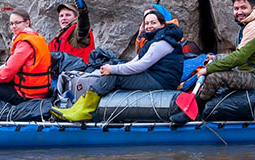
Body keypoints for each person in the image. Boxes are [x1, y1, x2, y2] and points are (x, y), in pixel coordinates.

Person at [51, 8, 184, 121]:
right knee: (113, 73)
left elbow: (141, 65)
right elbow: (135, 61)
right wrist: (113, 67)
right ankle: (79, 107)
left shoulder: (162, 43)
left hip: (162, 81)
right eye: (147, 23)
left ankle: (84, 111)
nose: (149, 26)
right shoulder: (152, 40)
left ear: (162, 25)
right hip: (154, 76)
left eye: (153, 23)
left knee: (114, 76)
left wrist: (114, 70)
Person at [195, 0, 255, 103]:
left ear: (253, 8)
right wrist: (215, 58)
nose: (239, 12)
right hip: (253, 69)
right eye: (236, 9)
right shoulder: (247, 25)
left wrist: (207, 70)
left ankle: (196, 108)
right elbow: (241, 55)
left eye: (243, 8)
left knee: (214, 78)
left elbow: (239, 57)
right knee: (215, 61)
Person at [49, 0, 95, 64]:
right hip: (63, 73)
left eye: (68, 15)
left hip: (80, 72)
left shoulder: (76, 33)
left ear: (76, 18)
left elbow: (83, 28)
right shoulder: (56, 38)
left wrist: (83, 12)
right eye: (61, 16)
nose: (64, 18)